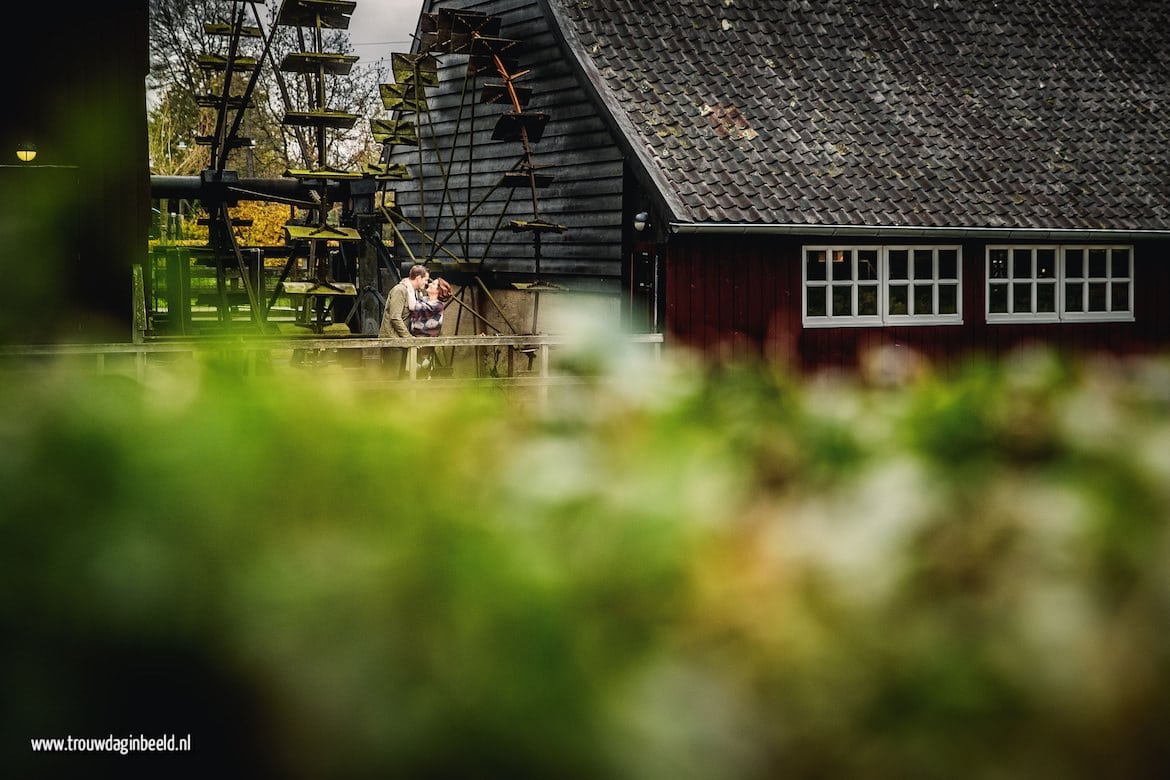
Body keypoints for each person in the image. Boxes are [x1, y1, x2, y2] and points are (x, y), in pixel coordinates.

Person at [379, 264, 429, 375]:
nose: (426, 283)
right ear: (418, 278)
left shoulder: (413, 293)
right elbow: (395, 317)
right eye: (425, 280)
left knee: (400, 377)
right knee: (391, 377)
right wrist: (409, 338)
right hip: (392, 341)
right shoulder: (400, 290)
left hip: (400, 341)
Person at [410, 277, 453, 374]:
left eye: (433, 284)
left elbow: (416, 306)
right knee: (412, 370)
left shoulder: (437, 305)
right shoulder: (424, 299)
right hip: (415, 341)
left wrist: (409, 287)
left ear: (438, 291)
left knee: (422, 370)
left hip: (425, 343)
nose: (429, 284)